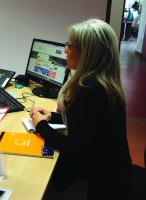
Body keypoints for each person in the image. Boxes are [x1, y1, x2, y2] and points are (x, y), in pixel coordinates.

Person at [30, 19, 132, 200]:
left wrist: (41, 126)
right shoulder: (103, 83)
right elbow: (86, 125)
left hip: (102, 183)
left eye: (69, 45)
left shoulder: (90, 91)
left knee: (35, 182)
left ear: (87, 53)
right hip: (113, 169)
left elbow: (74, 149)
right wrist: (51, 117)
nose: (65, 50)